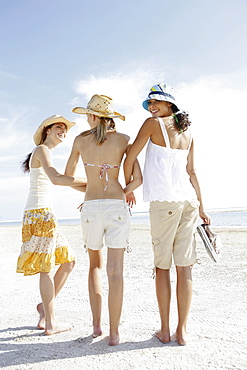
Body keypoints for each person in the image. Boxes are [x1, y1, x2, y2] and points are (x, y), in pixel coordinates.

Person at [124, 83, 211, 346]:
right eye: (150, 103)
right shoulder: (189, 131)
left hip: (164, 202)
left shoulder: (153, 125)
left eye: (156, 103)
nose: (152, 107)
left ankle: (165, 331)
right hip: (189, 202)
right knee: (184, 269)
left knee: (162, 267)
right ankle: (182, 332)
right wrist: (203, 207)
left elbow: (130, 155)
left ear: (169, 104)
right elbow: (192, 172)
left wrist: (129, 186)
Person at [65, 95, 142, 345]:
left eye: (88, 114)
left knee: (95, 266)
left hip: (91, 207)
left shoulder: (79, 141)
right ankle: (115, 333)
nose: (86, 119)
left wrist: (90, 193)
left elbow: (68, 177)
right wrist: (125, 190)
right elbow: (138, 180)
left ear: (94, 116)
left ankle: (97, 326)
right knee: (115, 271)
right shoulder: (123, 140)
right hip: (117, 205)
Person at [17, 114, 86, 335]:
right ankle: (50, 323)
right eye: (58, 127)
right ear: (47, 130)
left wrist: (92, 188)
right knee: (46, 267)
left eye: (65, 129)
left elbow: (61, 180)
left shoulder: (45, 153)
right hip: (40, 215)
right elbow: (57, 179)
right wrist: (92, 183)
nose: (63, 131)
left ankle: (44, 307)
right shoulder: (42, 150)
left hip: (44, 214)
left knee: (68, 261)